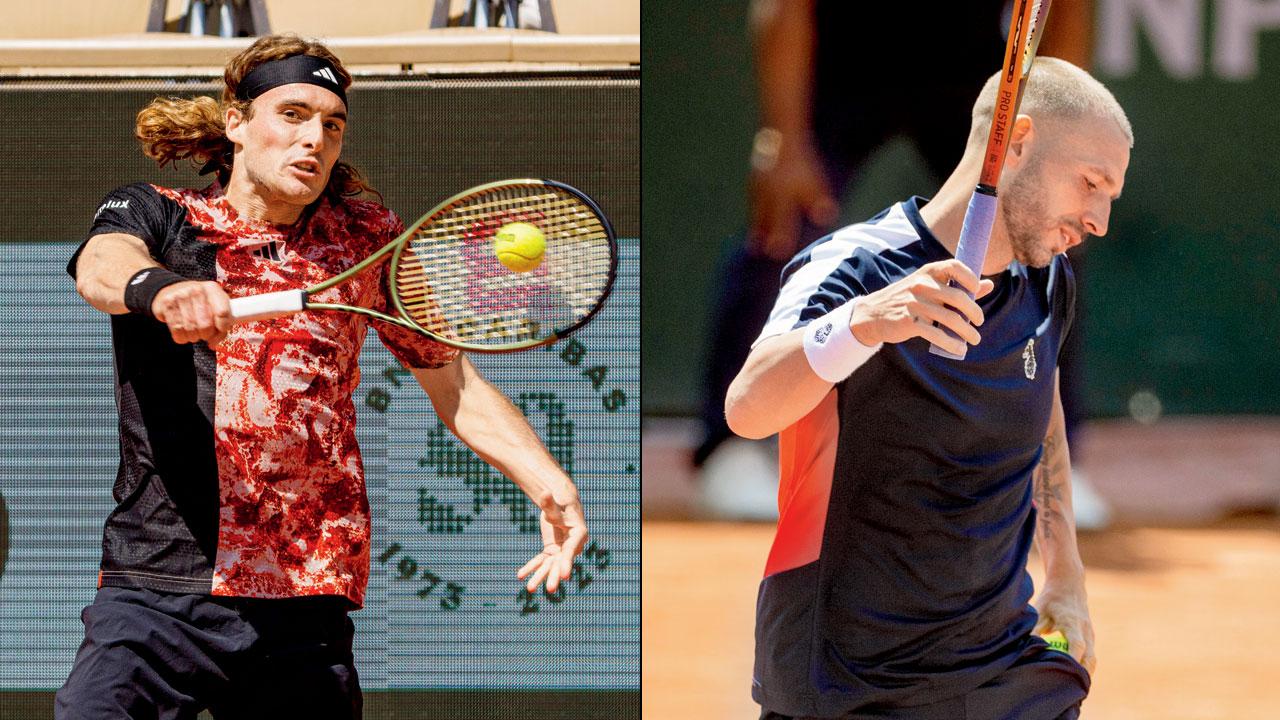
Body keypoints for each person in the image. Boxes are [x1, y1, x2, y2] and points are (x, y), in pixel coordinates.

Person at [58, 34, 586, 720]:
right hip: (159, 585)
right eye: (294, 115)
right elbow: (100, 264)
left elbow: (454, 385)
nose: (315, 139)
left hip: (304, 602)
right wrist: (157, 289)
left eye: (332, 125)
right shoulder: (159, 214)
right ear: (236, 122)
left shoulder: (369, 241)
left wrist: (550, 484)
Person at [725, 57, 1131, 719]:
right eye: (1090, 184)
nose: (1098, 220)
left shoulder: (1047, 282)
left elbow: (1041, 403)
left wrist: (1064, 571)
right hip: (846, 681)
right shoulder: (856, 266)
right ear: (1017, 141)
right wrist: (865, 322)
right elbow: (747, 408)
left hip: (998, 669)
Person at [697, 0, 1113, 531]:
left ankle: (1047, 465)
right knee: (785, 213)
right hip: (840, 55)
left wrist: (1057, 145)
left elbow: (1066, 10)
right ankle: (732, 450)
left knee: (1041, 221)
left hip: (972, 62)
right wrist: (783, 137)